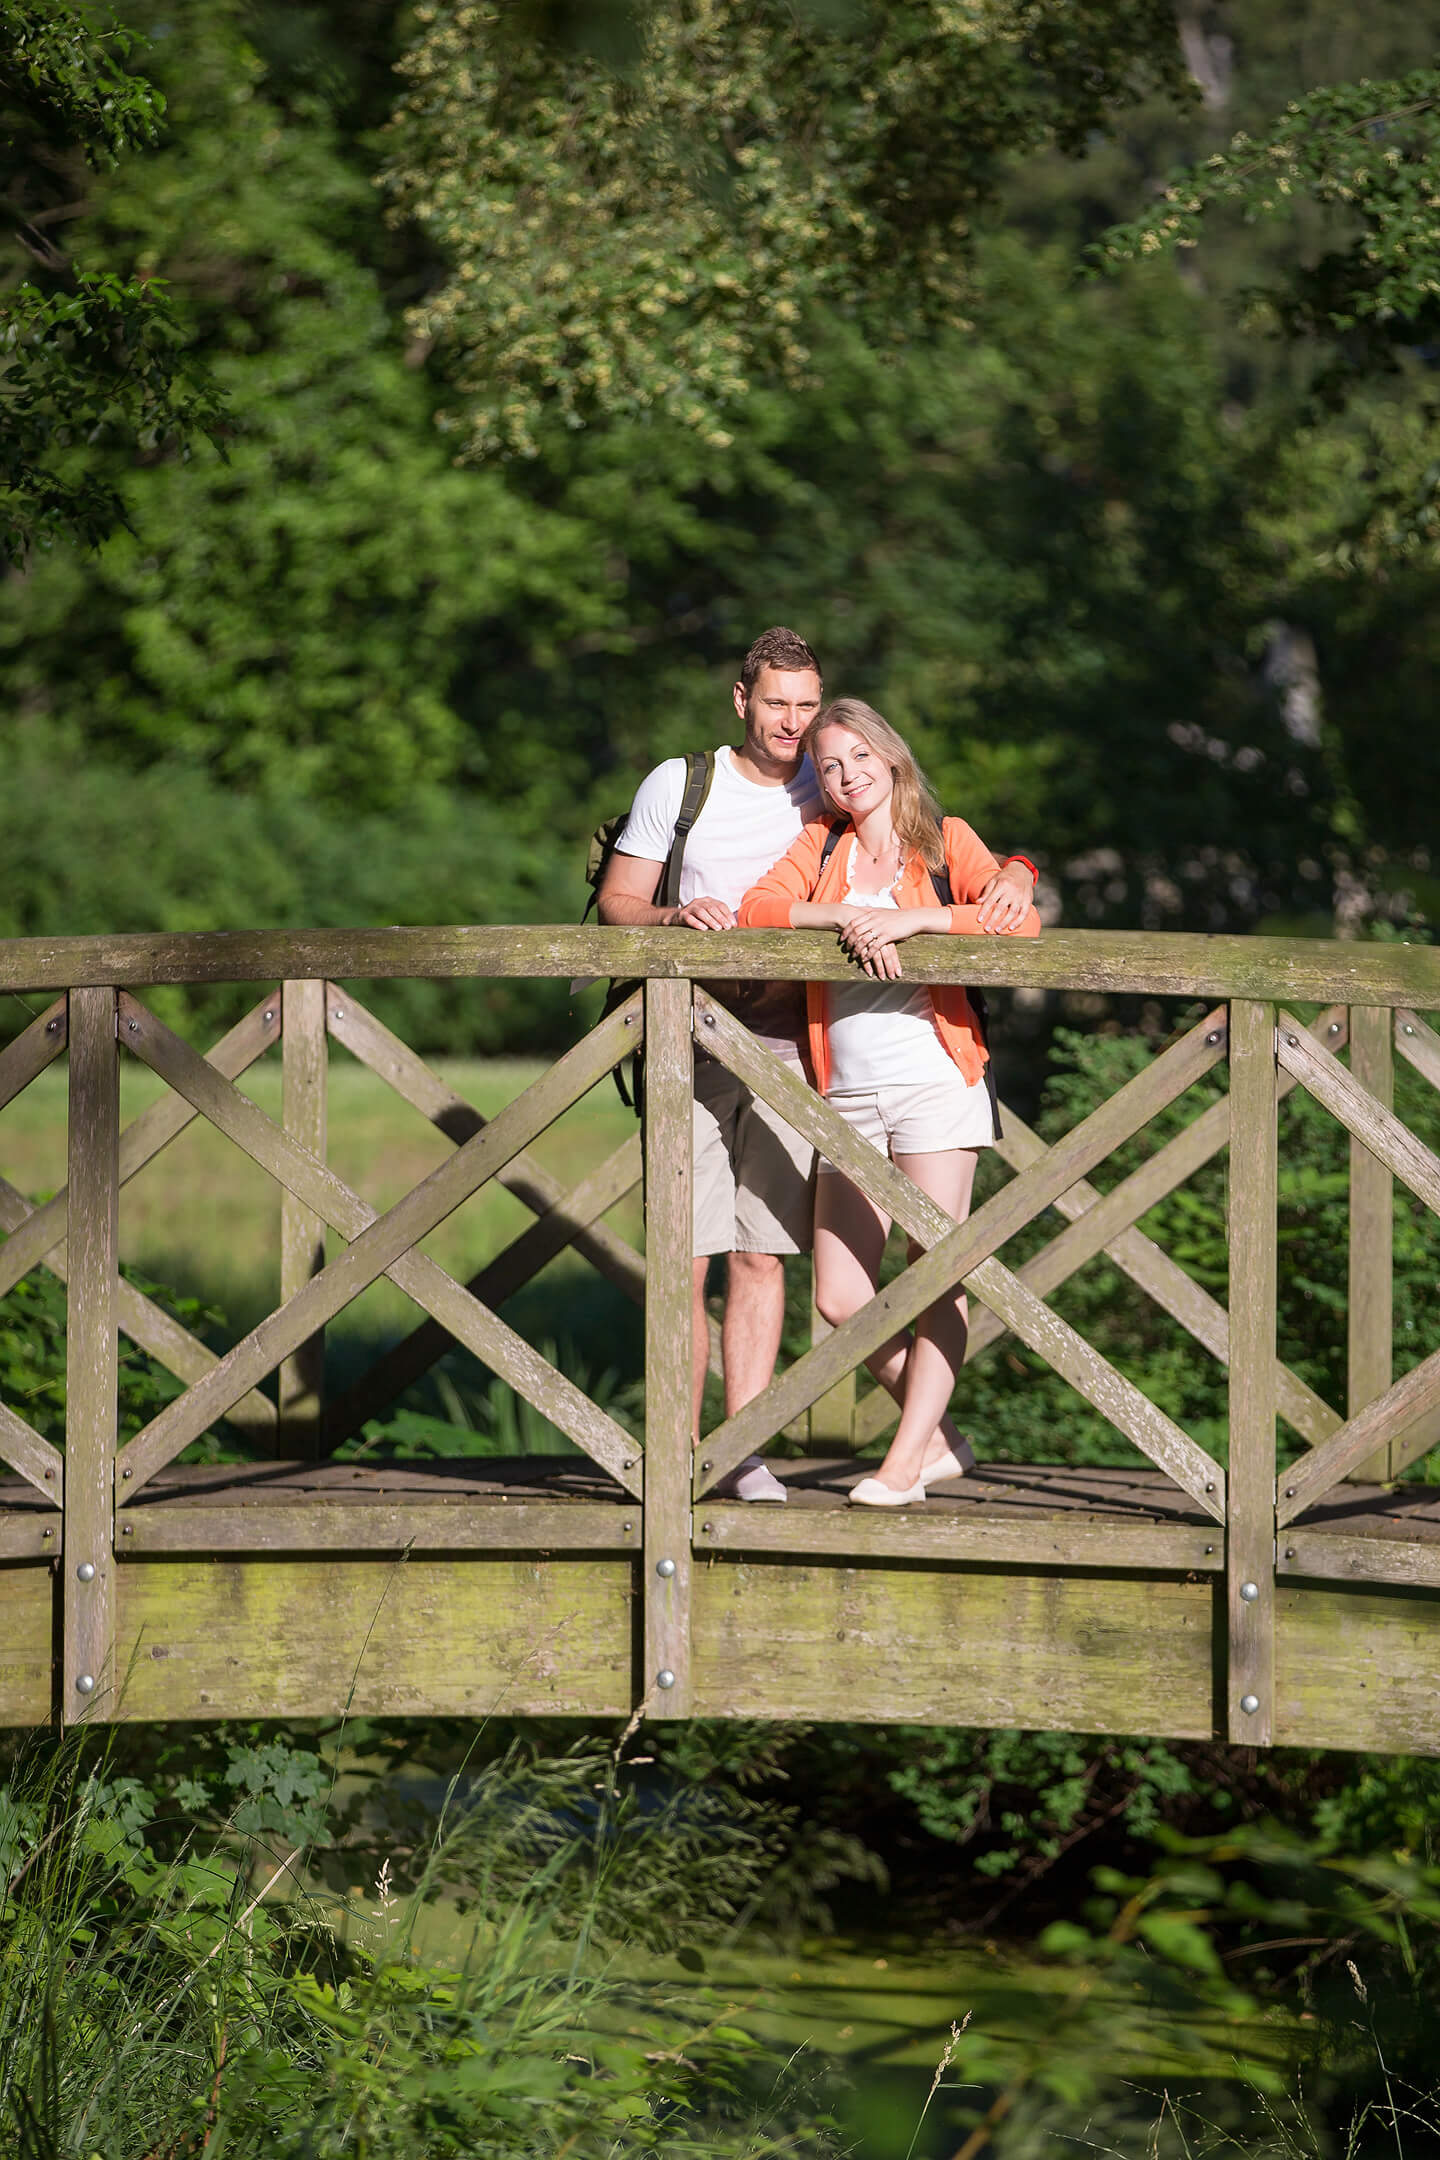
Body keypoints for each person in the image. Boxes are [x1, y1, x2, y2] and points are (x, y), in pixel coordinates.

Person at [599, 633, 1038, 1502]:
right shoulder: (740, 805)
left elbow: (1003, 902)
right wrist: (825, 915)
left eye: (816, 714)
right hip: (731, 1051)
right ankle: (683, 1466)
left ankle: (817, 1453)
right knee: (747, 1271)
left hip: (845, 1064)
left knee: (798, 1260)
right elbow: (692, 903)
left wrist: (974, 896)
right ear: (741, 701)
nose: (806, 737)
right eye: (779, 707)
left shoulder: (891, 817)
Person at [737, 697, 1041, 1506]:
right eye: (829, 765)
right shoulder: (820, 844)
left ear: (891, 756)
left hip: (936, 1084)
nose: (845, 775)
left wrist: (915, 922)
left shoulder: (944, 842)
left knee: (935, 1273)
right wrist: (843, 915)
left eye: (858, 757)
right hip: (845, 1093)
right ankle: (937, 1437)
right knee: (839, 1292)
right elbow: (759, 911)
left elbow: (1016, 923)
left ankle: (905, 1464)